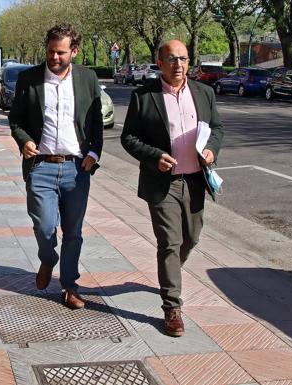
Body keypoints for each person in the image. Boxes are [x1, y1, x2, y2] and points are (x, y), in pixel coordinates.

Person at [120, 39, 224, 337]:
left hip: (195, 181)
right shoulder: (144, 96)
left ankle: (169, 274)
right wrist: (155, 157)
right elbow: (129, 138)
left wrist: (212, 151)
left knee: (190, 239)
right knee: (169, 242)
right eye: (172, 59)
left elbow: (216, 128)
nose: (178, 65)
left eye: (183, 59)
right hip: (161, 183)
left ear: (189, 62)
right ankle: (172, 308)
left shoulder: (204, 93)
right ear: (160, 63)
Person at [8, 23, 103, 309]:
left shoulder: (87, 78)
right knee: (45, 225)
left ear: (74, 51)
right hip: (41, 167)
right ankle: (48, 259)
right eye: (50, 51)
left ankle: (70, 287)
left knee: (73, 232)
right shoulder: (29, 79)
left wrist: (94, 153)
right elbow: (16, 120)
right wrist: (24, 141)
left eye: (61, 52)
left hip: (76, 168)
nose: (54, 57)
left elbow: (95, 121)